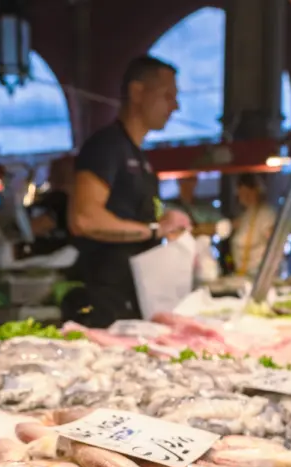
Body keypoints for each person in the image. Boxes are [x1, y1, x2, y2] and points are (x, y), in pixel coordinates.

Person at [69, 55, 191, 327]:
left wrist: (167, 222)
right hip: (104, 303)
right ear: (137, 92)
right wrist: (152, 229)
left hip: (135, 297)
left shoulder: (140, 156)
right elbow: (84, 219)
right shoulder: (106, 146)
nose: (175, 106)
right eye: (167, 96)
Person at [230, 174, 277, 278]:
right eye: (241, 193)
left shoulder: (267, 214)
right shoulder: (242, 215)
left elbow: (274, 243)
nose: (245, 197)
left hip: (259, 274)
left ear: (257, 192)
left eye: (248, 193)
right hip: (242, 274)